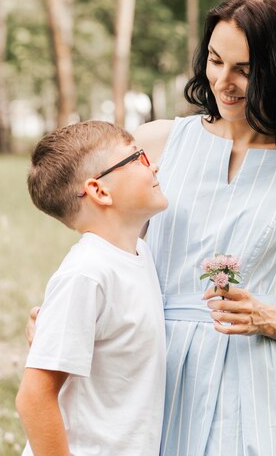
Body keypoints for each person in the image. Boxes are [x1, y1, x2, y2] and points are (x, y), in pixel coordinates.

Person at [26, 0, 276, 456]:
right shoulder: (156, 142)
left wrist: (267, 317)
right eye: (216, 61)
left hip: (246, 379)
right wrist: (62, 319)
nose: (224, 81)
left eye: (244, 69)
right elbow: (108, 246)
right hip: (144, 369)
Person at [16, 120, 168, 456]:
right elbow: (33, 397)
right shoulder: (86, 273)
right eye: (138, 158)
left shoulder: (139, 254)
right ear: (99, 190)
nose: (153, 164)